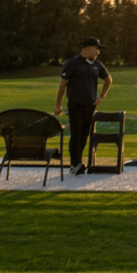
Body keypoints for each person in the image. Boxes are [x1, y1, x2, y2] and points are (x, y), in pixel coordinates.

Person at [54, 37, 113, 176]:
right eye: (96, 48)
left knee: (84, 135)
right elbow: (62, 85)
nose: (98, 51)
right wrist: (58, 105)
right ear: (87, 49)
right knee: (76, 134)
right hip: (75, 104)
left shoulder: (97, 65)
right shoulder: (72, 63)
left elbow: (108, 80)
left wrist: (101, 97)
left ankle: (77, 163)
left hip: (90, 105)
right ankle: (75, 164)